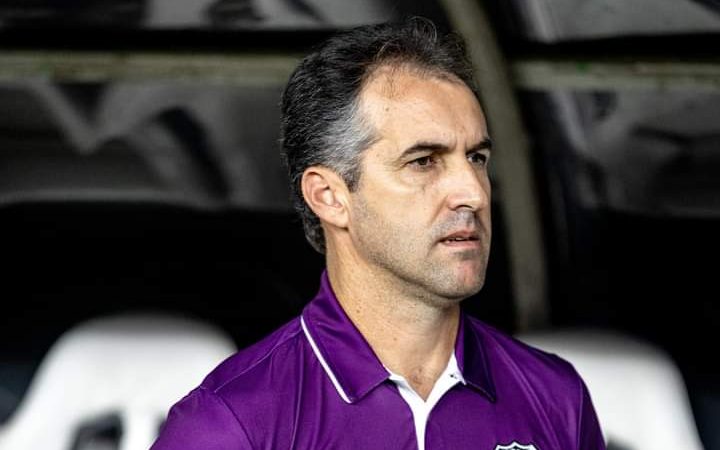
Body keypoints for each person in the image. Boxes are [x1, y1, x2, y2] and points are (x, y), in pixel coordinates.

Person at [151, 18, 606, 450]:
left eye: (477, 158)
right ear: (329, 196)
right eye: (423, 161)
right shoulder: (233, 420)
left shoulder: (556, 395)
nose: (473, 193)